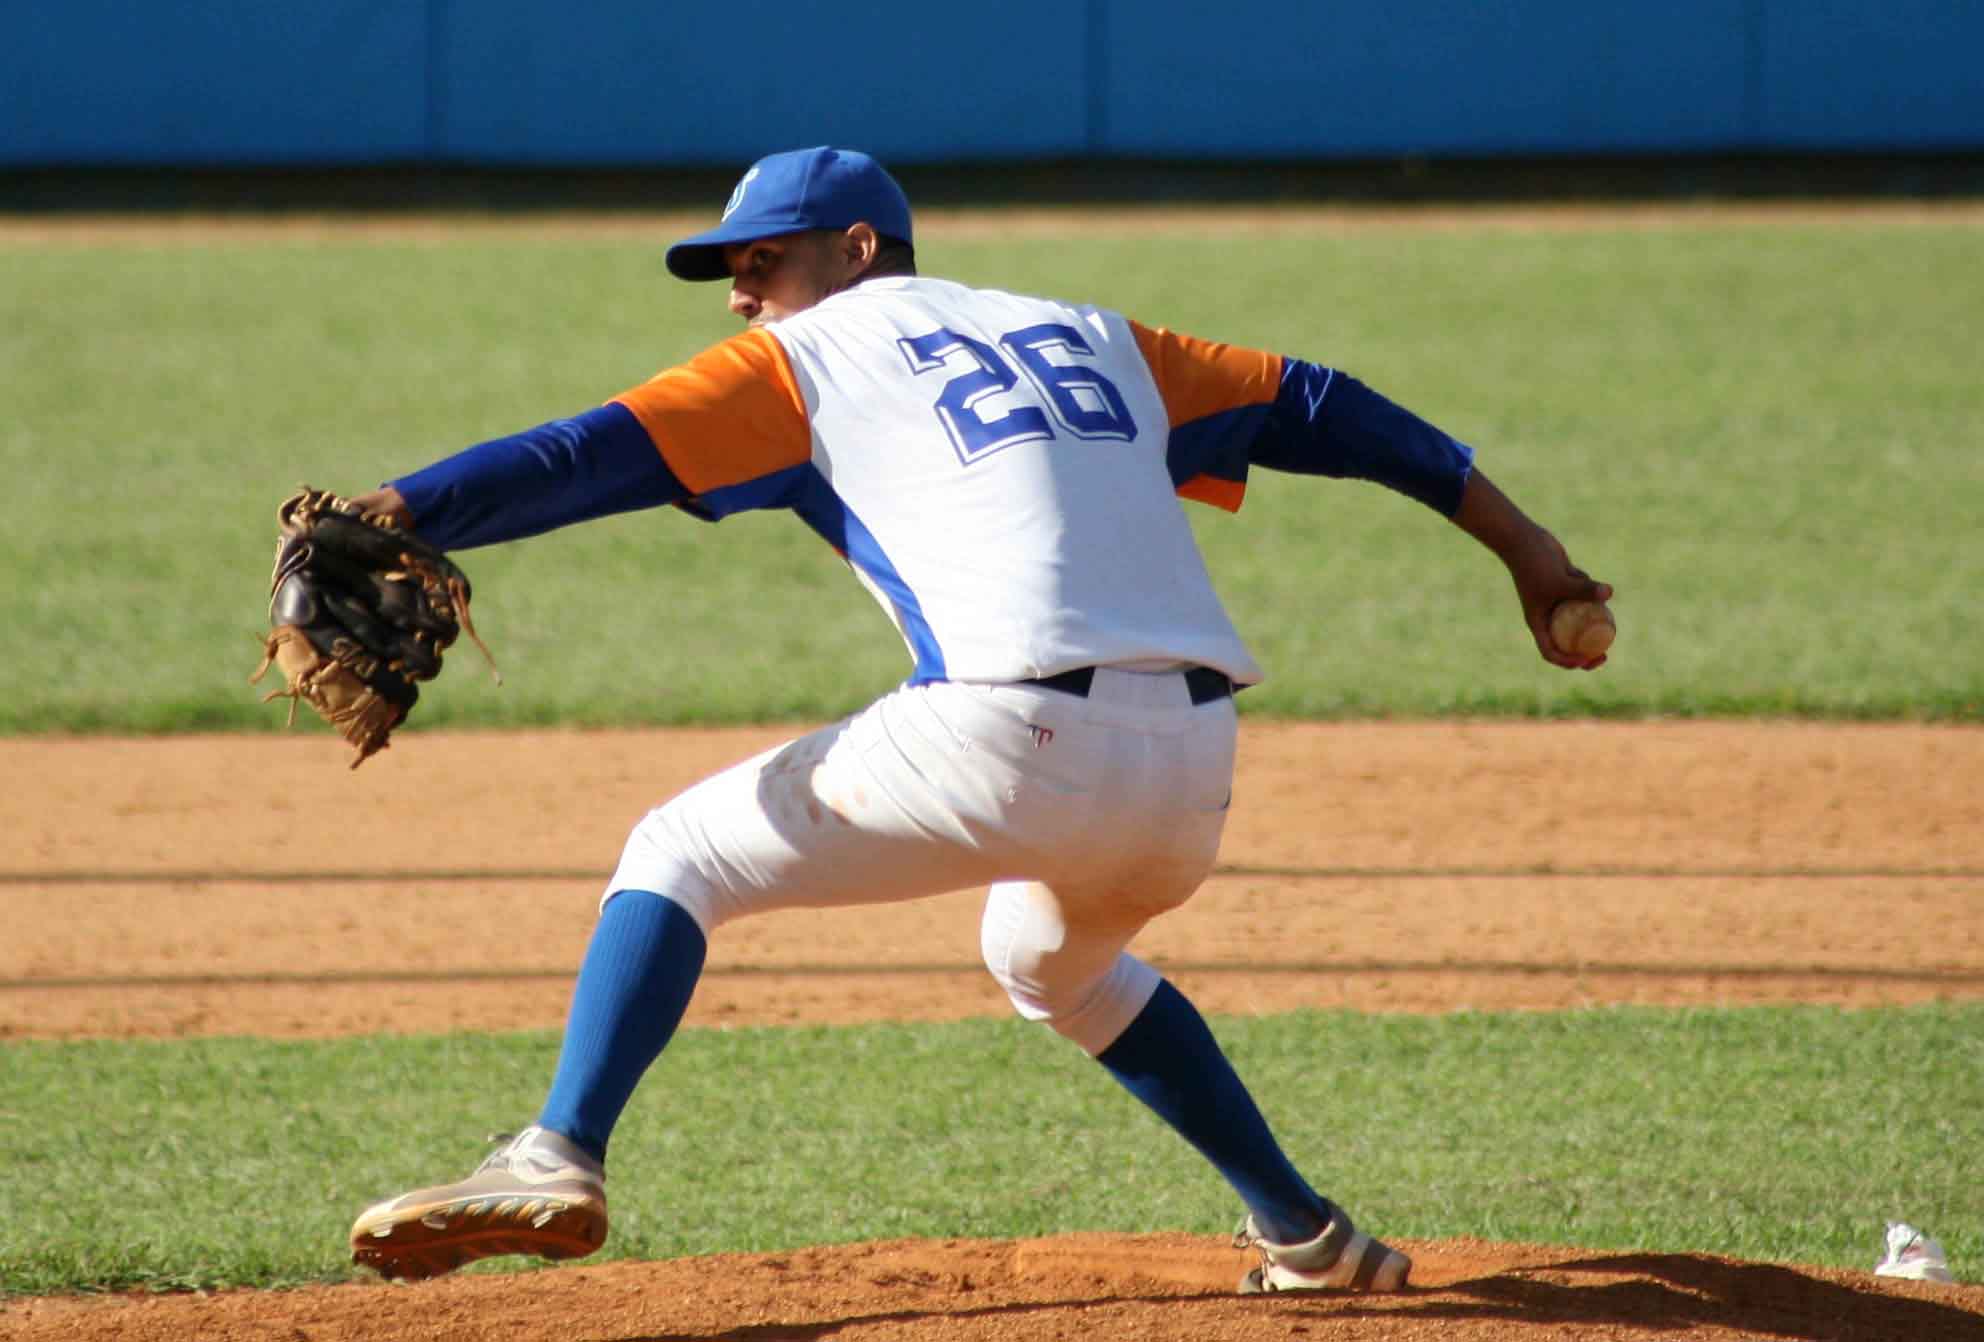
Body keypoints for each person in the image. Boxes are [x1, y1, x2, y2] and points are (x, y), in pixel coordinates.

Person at [344, 145, 1611, 1294]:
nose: (741, 294)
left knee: (679, 852)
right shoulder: (1091, 331)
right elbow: (1322, 404)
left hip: (1009, 736)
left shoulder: (804, 355)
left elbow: (583, 454)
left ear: (858, 249)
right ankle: (1307, 1236)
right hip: (1190, 770)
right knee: (1052, 962)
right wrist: (1529, 550)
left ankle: (560, 1146)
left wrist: (399, 507)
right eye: (730, 272)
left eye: (762, 261)